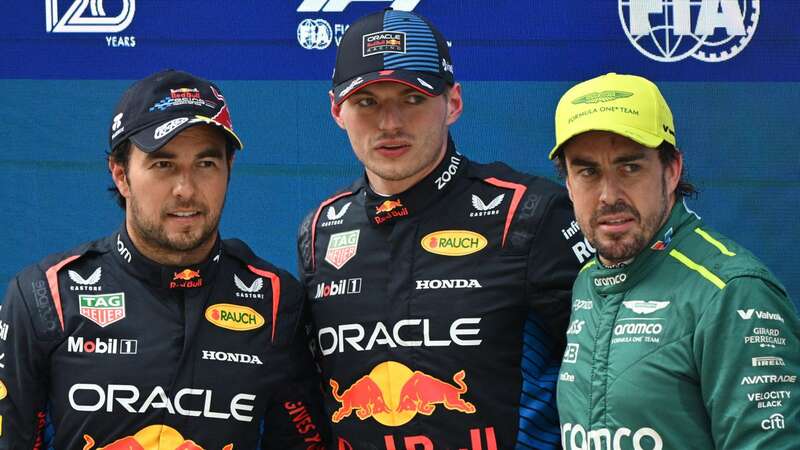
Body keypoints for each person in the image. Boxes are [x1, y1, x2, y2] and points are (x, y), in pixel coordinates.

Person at [296, 9, 589, 449]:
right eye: (367, 102)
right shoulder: (321, 228)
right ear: (338, 111)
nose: (390, 123)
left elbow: (609, 373)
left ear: (452, 103)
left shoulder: (528, 212)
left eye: (412, 98)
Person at [0, 70, 327, 449]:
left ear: (229, 170)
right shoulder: (46, 295)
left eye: (206, 164)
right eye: (163, 165)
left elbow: (305, 441)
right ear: (121, 174)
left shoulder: (275, 300)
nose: (185, 190)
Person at [550, 73, 800, 449]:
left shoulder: (733, 292)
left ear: (671, 171)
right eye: (588, 172)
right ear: (568, 184)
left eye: (630, 167)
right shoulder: (588, 279)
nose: (608, 196)